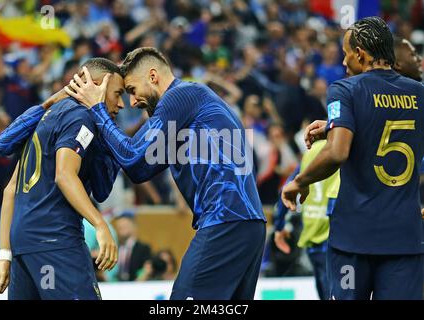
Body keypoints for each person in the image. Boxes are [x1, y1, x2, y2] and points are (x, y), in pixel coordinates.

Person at [64, 47, 267, 300]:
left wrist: (98, 109)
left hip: (225, 220)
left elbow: (132, 156)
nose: (133, 102)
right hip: (246, 224)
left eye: (132, 91)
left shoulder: (181, 96)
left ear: (153, 76)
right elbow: (139, 170)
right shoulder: (188, 112)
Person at [282, 17, 424, 300]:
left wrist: (300, 180)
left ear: (360, 53)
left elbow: (337, 152)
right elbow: (380, 123)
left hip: (354, 239)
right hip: (405, 239)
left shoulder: (345, 89)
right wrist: (335, 125)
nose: (345, 63)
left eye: (346, 53)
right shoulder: (420, 94)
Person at [0, 57, 123, 299]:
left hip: (23, 248)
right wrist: (100, 225)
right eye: (118, 93)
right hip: (56, 241)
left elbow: (10, 189)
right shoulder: (82, 117)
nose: (121, 103)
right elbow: (64, 175)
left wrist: (5, 254)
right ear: (97, 85)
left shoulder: (44, 118)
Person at [275, 140, 337, 300]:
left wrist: (279, 226)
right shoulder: (340, 149)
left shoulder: (310, 153)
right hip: (333, 239)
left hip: (312, 237)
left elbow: (288, 187)